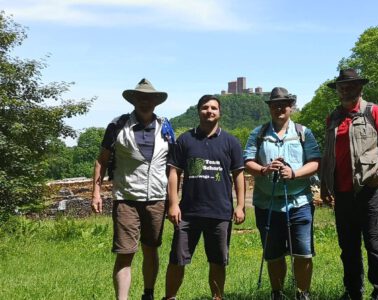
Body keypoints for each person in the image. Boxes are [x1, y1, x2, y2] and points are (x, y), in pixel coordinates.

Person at [320, 69, 378, 300]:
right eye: (342, 86)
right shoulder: (332, 117)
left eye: (351, 85)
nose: (345, 89)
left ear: (360, 88)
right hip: (343, 194)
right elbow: (328, 155)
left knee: (375, 245)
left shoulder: (374, 112)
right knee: (348, 248)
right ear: (337, 90)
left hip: (370, 190)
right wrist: (325, 186)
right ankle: (353, 292)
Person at [91, 78, 172, 300]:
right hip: (125, 198)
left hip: (156, 198)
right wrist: (96, 193)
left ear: (156, 102)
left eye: (149, 98)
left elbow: (173, 167)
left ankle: (149, 294)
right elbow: (102, 160)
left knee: (151, 249)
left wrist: (175, 200)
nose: (145, 101)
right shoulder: (118, 125)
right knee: (125, 253)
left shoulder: (166, 126)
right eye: (141, 97)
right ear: (134, 99)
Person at [164, 95, 245, 300]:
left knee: (218, 261)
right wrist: (173, 204)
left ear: (220, 113)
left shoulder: (231, 141)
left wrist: (240, 205)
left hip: (220, 212)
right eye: (205, 107)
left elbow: (239, 175)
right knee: (177, 259)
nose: (209, 111)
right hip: (188, 213)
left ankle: (217, 298)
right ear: (198, 111)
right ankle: (170, 297)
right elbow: (174, 172)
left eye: (214, 108)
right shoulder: (185, 140)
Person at [244, 87, 321, 300]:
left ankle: (302, 294)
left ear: (291, 107)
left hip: (300, 203)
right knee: (273, 255)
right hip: (267, 204)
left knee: (303, 253)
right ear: (269, 107)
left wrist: (294, 173)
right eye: (275, 104)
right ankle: (277, 294)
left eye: (284, 104)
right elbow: (247, 161)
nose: (280, 107)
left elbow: (315, 162)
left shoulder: (303, 132)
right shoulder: (258, 134)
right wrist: (264, 169)